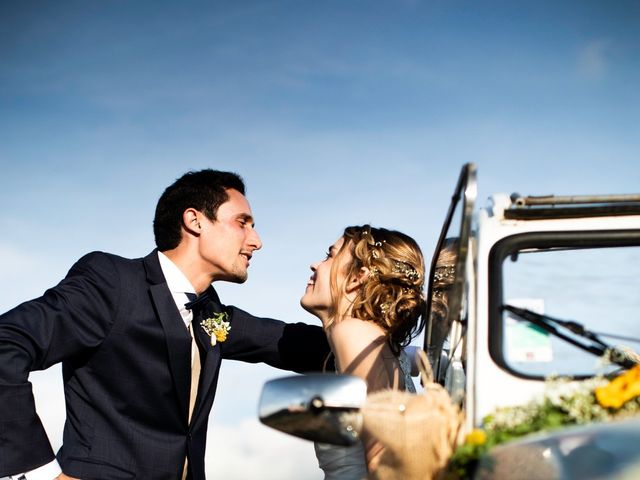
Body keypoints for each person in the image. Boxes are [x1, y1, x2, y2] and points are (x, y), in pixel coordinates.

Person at [0, 169, 330, 480]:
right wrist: (35, 472)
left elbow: (296, 345)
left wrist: (370, 328)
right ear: (195, 221)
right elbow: (7, 343)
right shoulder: (112, 282)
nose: (256, 240)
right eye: (242, 222)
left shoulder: (211, 313)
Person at [300, 225, 426, 479]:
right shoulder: (380, 344)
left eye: (330, 255)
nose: (315, 265)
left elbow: (382, 454)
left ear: (358, 277)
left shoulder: (352, 333)